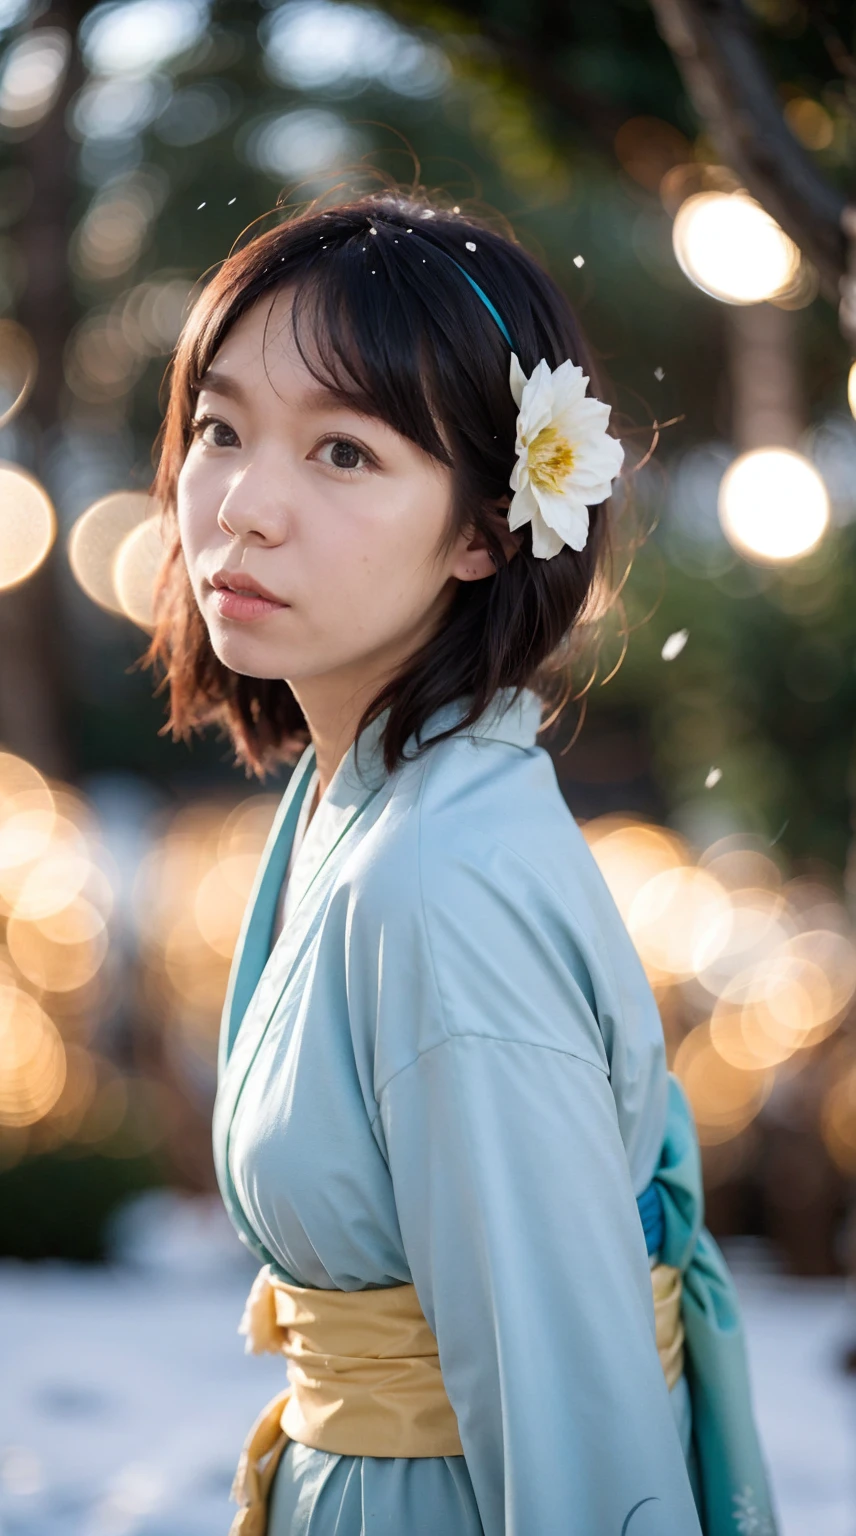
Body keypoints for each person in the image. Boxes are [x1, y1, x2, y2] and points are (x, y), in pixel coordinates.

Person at [145, 187, 778, 1536]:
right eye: (219, 429)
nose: (244, 508)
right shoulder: (361, 803)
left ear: (492, 527)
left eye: (346, 455)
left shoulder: (439, 884)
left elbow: (574, 1421)